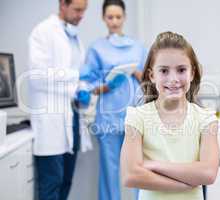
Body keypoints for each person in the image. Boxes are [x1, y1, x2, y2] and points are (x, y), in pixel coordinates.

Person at [121, 31, 220, 200]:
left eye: (181, 70)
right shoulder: (137, 116)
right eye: (164, 71)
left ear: (192, 73)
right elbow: (131, 175)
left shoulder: (206, 119)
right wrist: (184, 183)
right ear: (152, 75)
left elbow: (208, 173)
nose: (173, 79)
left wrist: (154, 165)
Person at [78, 0, 147, 199]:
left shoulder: (138, 47)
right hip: (108, 117)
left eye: (118, 17)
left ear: (124, 17)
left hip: (135, 115)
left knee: (137, 170)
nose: (114, 21)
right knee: (110, 170)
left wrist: (135, 72)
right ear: (103, 18)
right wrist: (106, 86)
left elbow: (151, 79)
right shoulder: (97, 48)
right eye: (110, 17)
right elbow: (86, 83)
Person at [28, 0, 88, 200]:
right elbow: (38, 76)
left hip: (72, 117)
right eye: (77, 9)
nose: (81, 15)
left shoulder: (74, 38)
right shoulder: (43, 32)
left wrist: (82, 89)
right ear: (63, 4)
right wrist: (74, 78)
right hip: (50, 119)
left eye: (84, 10)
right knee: (52, 181)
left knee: (66, 179)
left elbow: (79, 74)